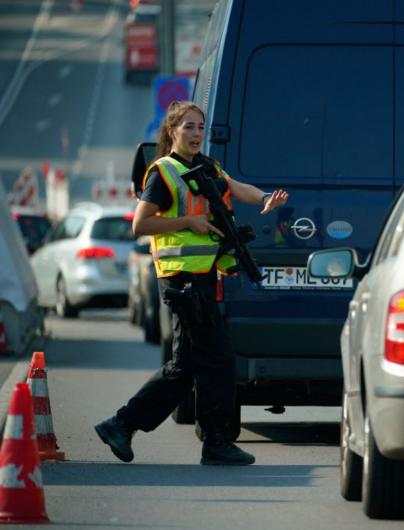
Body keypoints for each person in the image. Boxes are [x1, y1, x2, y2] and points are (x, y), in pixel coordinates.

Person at [94, 101, 288, 465]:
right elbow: (141, 224)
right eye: (188, 127)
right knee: (215, 360)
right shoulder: (163, 173)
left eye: (200, 127)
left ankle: (123, 425)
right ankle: (213, 440)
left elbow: (236, 187)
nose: (196, 133)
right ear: (172, 131)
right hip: (180, 280)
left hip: (200, 278)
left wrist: (264, 199)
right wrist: (188, 222)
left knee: (189, 366)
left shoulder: (207, 166)